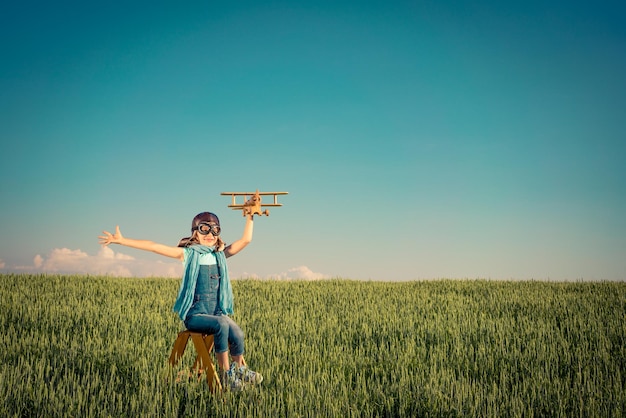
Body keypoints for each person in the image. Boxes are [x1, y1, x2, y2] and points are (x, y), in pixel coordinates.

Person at [98, 211, 262, 391]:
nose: (210, 235)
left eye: (215, 230)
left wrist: (250, 217)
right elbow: (154, 246)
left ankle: (239, 369)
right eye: (204, 229)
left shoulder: (220, 255)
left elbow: (245, 240)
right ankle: (226, 374)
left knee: (237, 331)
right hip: (195, 315)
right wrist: (123, 241)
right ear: (195, 232)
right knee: (222, 324)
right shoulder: (188, 255)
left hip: (216, 314)